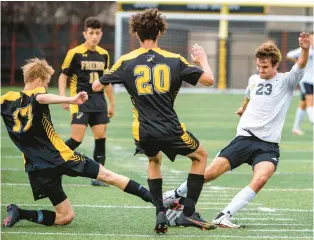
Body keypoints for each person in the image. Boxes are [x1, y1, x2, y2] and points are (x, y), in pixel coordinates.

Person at [163, 32, 310, 228]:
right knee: (208, 175)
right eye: (258, 66)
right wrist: (243, 107)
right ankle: (175, 195)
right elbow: (248, 96)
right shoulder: (253, 79)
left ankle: (224, 215)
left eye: (265, 67)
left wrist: (305, 48)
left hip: (268, 146)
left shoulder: (286, 81)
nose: (260, 70)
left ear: (275, 65)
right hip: (244, 139)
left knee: (261, 178)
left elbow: (300, 63)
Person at [92, 8, 216, 234]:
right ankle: (188, 213)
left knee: (153, 161)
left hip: (143, 131)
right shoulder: (174, 60)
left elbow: (97, 85)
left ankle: (160, 211)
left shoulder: (126, 61)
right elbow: (209, 80)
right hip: (170, 128)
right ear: (159, 33)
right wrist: (203, 60)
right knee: (201, 156)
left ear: (136, 34)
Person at [1, 58, 153, 228]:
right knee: (108, 175)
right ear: (37, 81)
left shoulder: (6, 99)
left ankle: (19, 212)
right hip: (61, 156)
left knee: (65, 217)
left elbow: (41, 97)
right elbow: (42, 98)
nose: (45, 86)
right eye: (46, 82)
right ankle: (155, 200)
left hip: (35, 166)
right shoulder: (38, 95)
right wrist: (71, 100)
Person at [58, 17, 114, 186]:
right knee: (76, 139)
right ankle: (54, 166)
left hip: (99, 102)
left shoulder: (104, 54)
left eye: (97, 33)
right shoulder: (74, 53)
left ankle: (99, 176)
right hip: (80, 101)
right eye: (91, 33)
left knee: (100, 138)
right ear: (85, 34)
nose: (94, 36)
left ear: (101, 34)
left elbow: (107, 81)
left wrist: (112, 103)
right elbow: (63, 76)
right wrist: (64, 97)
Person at [287, 33, 313, 135]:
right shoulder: (306, 50)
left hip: (312, 80)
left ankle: (296, 128)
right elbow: (288, 55)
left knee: (303, 103)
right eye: (312, 39)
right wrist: (300, 62)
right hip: (305, 80)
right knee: (310, 102)